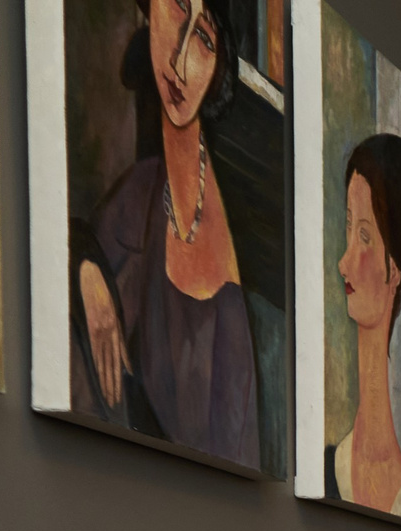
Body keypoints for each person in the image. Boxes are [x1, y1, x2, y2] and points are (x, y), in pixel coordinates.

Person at [71, 0, 265, 467]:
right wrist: (85, 267)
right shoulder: (136, 192)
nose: (179, 61)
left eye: (203, 38)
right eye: (178, 7)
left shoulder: (242, 232)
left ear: (221, 63)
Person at [330, 131, 401, 523]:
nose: (343, 262)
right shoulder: (329, 464)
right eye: (348, 227)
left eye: (364, 237)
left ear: (393, 269)